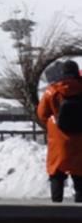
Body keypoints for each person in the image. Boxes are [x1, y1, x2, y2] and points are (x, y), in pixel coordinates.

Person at [37, 60, 82, 203]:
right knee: (80, 174)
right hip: (80, 141)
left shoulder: (52, 91)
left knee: (56, 173)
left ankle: (56, 210)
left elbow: (42, 114)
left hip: (58, 141)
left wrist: (53, 126)